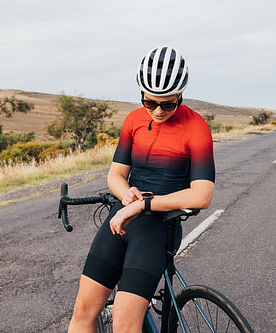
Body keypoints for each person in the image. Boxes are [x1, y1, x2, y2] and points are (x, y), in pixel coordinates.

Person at [68, 46, 215, 333]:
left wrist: (143, 205)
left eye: (168, 104)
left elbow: (202, 195)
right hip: (120, 220)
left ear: (180, 96)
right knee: (83, 311)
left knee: (124, 324)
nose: (158, 111)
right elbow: (116, 174)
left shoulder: (196, 128)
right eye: (150, 103)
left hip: (158, 228)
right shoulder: (133, 121)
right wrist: (125, 195)